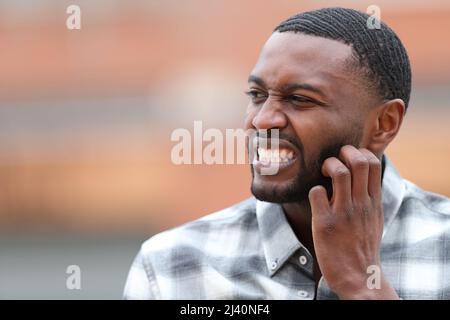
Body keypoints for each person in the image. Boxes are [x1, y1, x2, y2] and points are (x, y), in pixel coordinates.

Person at [123, 7, 450, 299]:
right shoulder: (173, 267)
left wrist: (363, 288)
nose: (263, 119)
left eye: (300, 99)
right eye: (257, 94)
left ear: (384, 124)